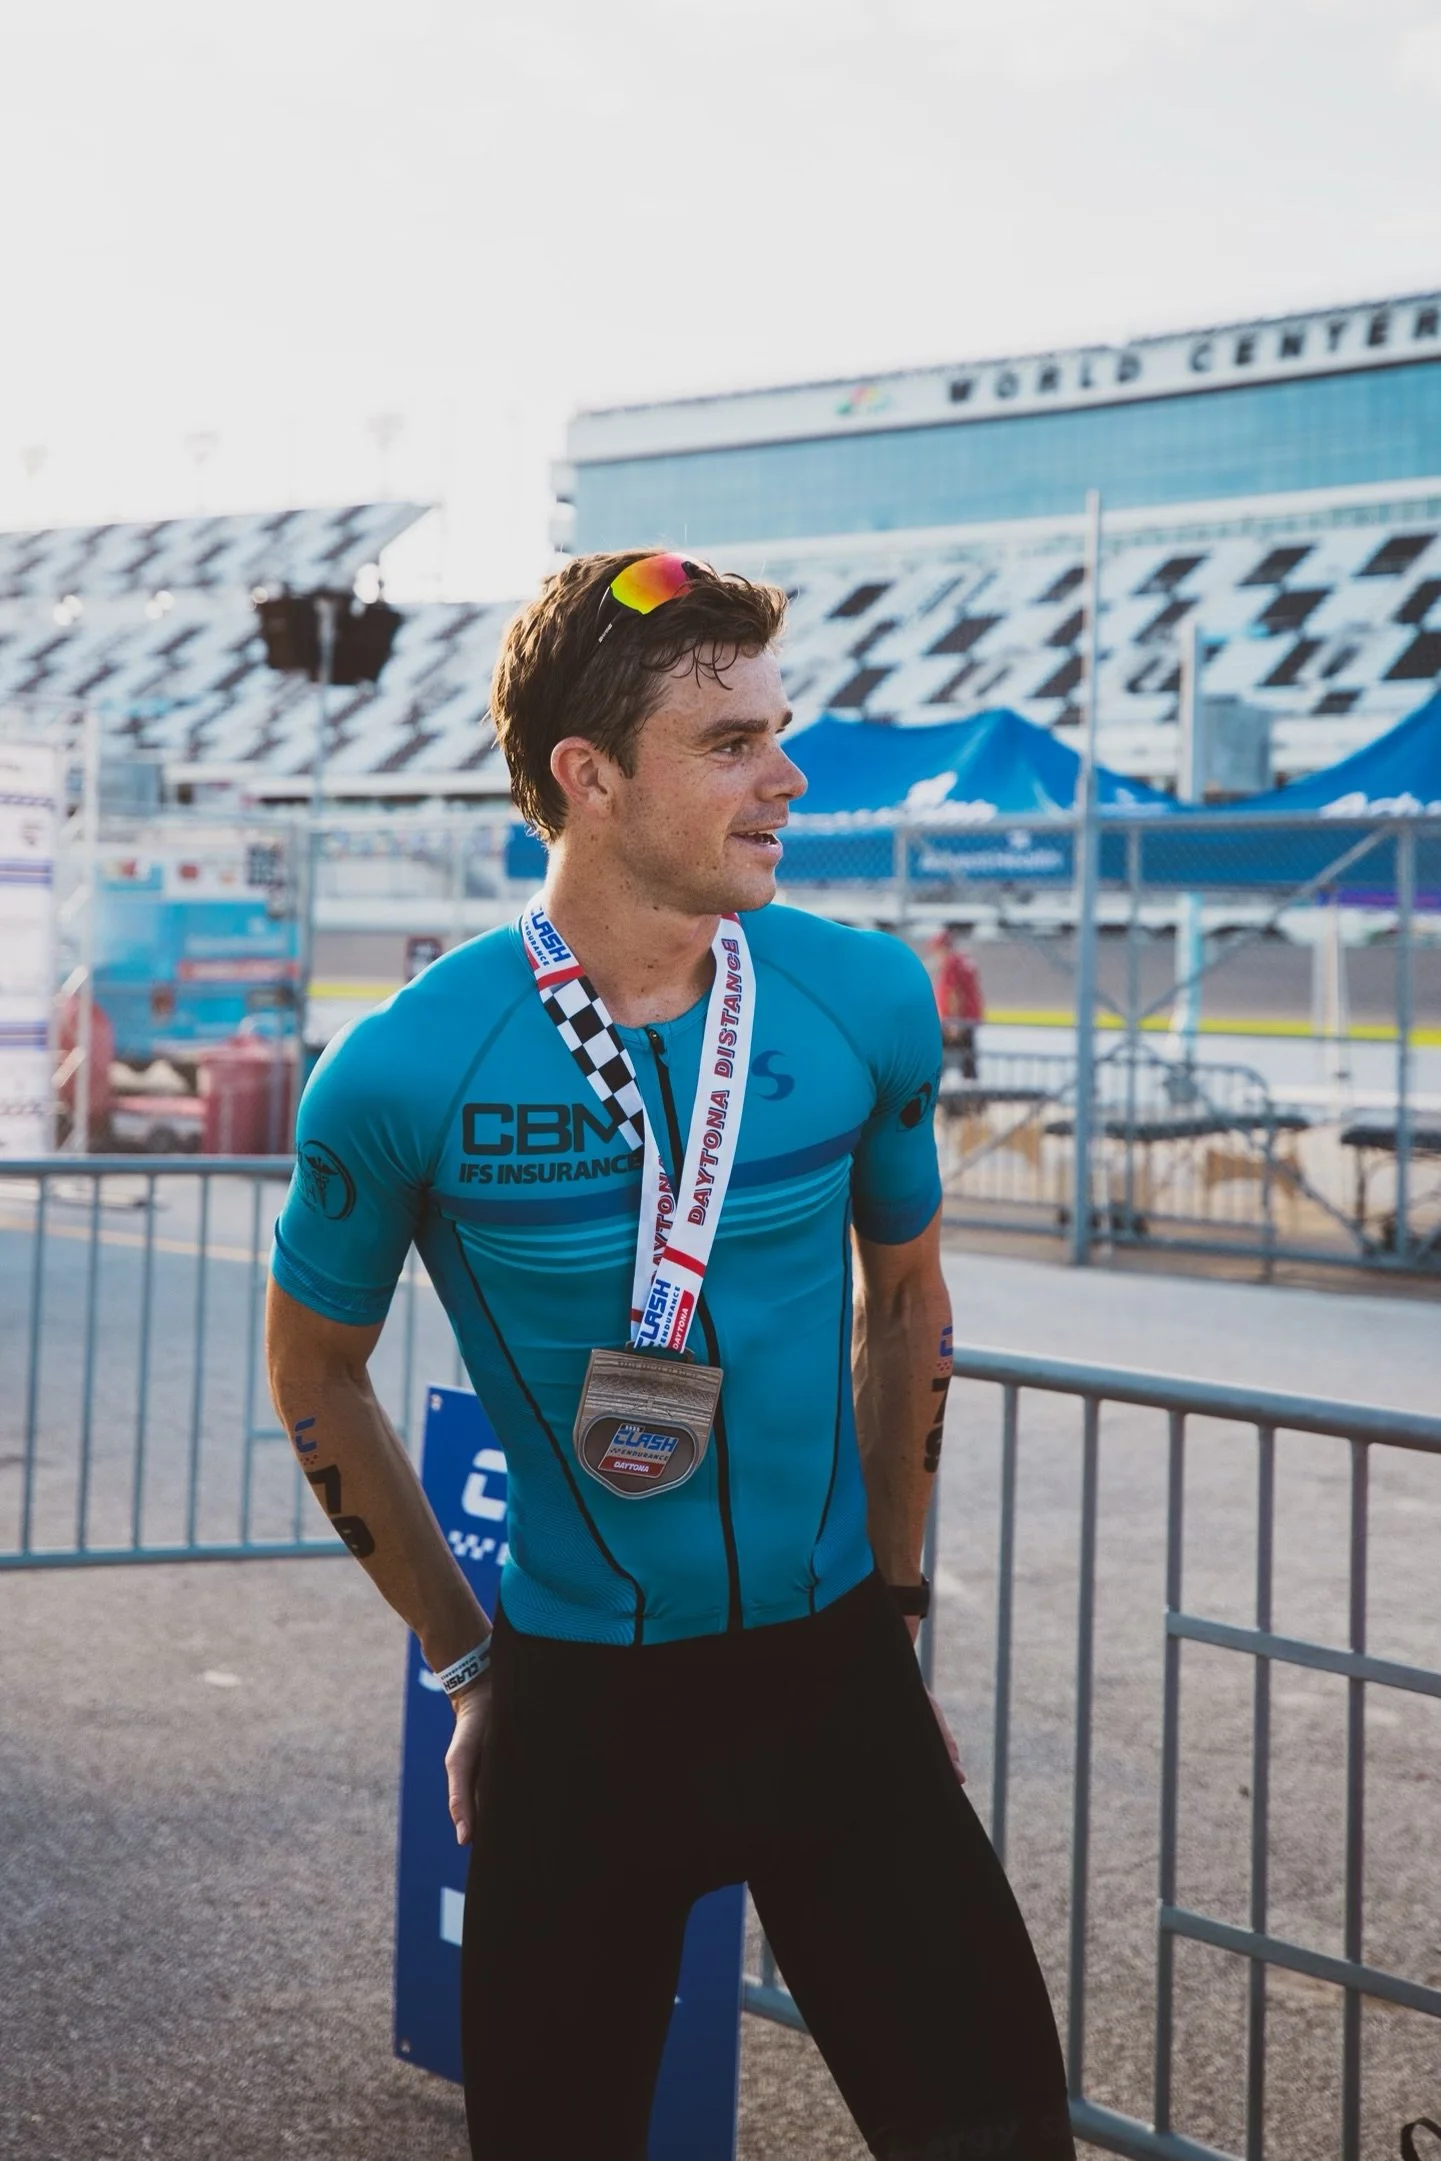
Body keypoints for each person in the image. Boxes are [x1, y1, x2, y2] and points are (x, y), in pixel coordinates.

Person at [265, 551, 1074, 2161]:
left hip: (836, 1677)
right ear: (589, 775)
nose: (787, 777)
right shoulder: (403, 1069)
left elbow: (908, 1298)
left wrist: (896, 1609)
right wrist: (465, 1662)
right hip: (580, 1718)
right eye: (730, 743)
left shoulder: (862, 997)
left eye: (779, 731)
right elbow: (315, 1375)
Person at [929, 924, 985, 1082]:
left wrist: (953, 1022)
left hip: (955, 1021)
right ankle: (971, 1088)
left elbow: (953, 993)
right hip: (969, 1019)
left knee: (938, 1056)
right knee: (967, 1057)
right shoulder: (965, 960)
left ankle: (932, 1087)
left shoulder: (951, 964)